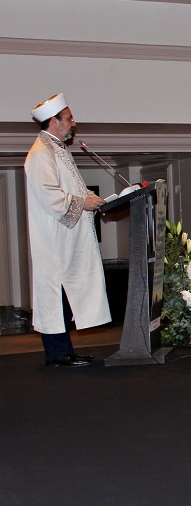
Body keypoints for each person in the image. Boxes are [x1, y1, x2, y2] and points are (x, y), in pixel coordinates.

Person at [24, 93, 111, 367]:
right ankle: (58, 353)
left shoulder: (57, 149)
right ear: (54, 121)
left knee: (64, 294)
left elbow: (70, 188)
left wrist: (91, 199)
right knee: (56, 295)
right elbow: (49, 195)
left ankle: (65, 350)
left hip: (66, 237)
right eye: (69, 118)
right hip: (54, 239)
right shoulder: (41, 153)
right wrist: (83, 203)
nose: (73, 123)